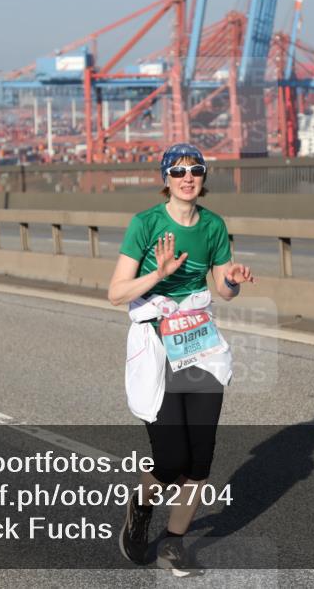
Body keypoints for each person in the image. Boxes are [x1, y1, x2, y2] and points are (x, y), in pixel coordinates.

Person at [107, 143, 254, 576]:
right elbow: (116, 293)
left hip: (200, 346)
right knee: (171, 462)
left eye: (196, 170)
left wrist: (233, 279)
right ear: (165, 178)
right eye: (178, 171)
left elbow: (224, 291)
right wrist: (160, 274)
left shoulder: (213, 226)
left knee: (199, 460)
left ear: (204, 177)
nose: (188, 177)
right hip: (156, 347)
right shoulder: (146, 224)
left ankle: (174, 542)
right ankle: (140, 505)